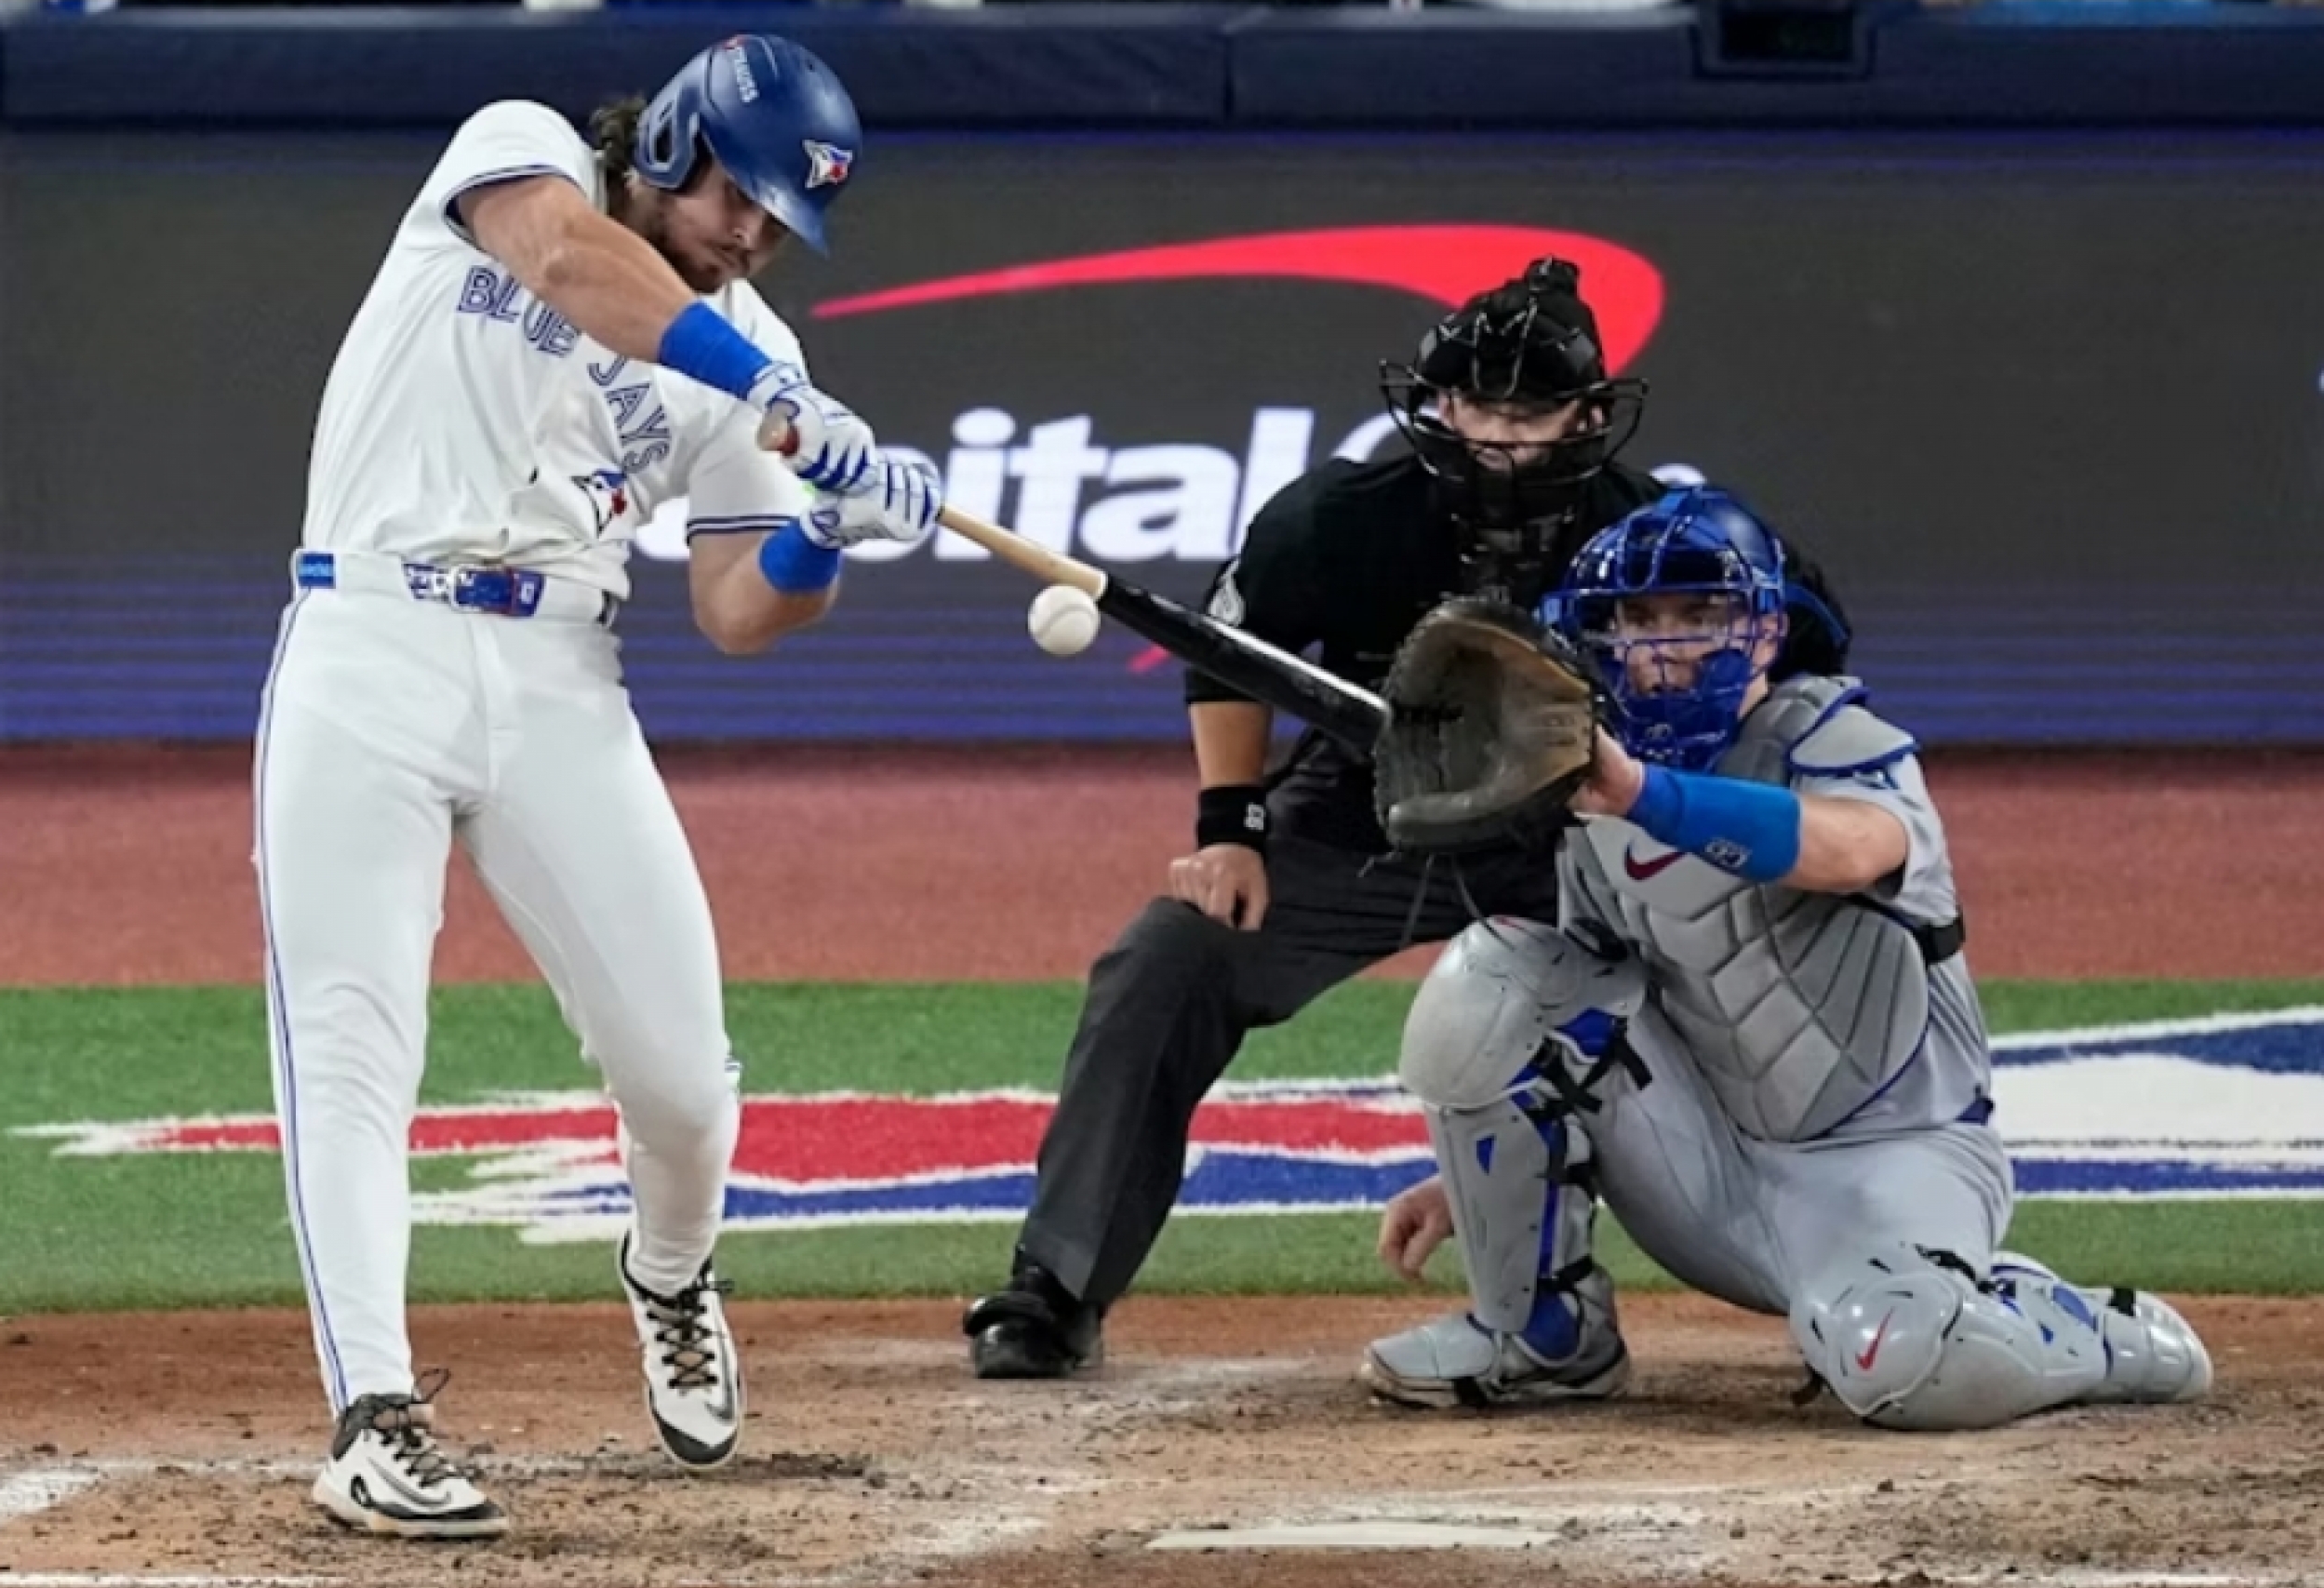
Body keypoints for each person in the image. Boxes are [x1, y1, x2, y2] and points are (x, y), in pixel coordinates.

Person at [251, 35, 941, 1538]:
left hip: (564, 679)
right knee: (354, 1041)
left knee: (684, 1081)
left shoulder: (756, 350)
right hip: (369, 640)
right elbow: (570, 265)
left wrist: (825, 529)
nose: (752, 233)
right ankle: (375, 1413)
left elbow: (738, 612)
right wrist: (769, 390)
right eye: (739, 193)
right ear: (675, 138)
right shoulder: (525, 152)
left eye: (780, 217)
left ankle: (674, 1271)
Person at [961, 258, 1845, 1380]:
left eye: (1530, 412)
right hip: (1360, 812)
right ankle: (1055, 1287)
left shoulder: (1657, 536)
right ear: (1436, 405)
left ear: (1586, 414)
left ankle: (1844, 1275)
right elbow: (1230, 657)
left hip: (1581, 840)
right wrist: (1229, 827)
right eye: (1479, 407)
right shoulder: (1339, 517)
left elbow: (1804, 647)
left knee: (1754, 993)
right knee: (1165, 958)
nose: (1502, 436)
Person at [1358, 487, 2211, 1430]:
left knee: (1909, 1369)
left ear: (1766, 632)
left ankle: (2084, 1326)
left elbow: (1848, 849)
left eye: (1698, 614)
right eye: (1638, 619)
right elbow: (1579, 1009)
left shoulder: (1836, 739)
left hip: (1889, 1162)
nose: (1665, 642)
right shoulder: (1591, 801)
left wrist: (1639, 791)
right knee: (1500, 968)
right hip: (1709, 1172)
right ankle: (1540, 1339)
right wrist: (1486, 1175)